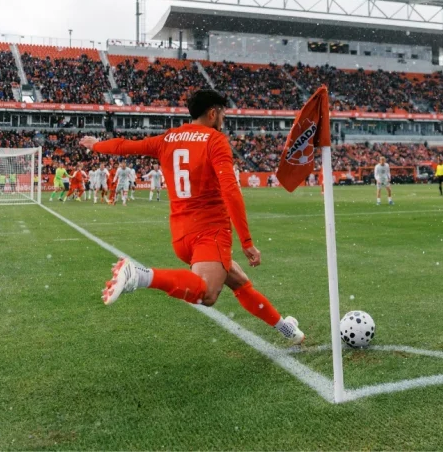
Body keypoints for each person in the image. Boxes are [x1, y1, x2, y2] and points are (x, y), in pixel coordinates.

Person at [79, 89, 304, 345]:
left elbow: (125, 146)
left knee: (240, 283)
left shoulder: (168, 139)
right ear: (212, 113)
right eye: (222, 114)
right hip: (210, 232)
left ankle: (287, 329)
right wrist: (247, 241)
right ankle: (139, 275)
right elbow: (230, 190)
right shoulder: (215, 140)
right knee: (207, 294)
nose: (223, 120)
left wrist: (95, 145)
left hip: (181, 235)